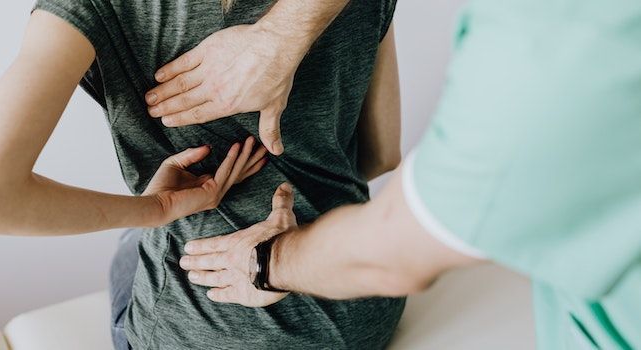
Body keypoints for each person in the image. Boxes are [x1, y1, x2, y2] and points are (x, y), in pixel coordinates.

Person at [176, 0, 641, 348]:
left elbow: (397, 251)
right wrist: (280, 37)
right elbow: (381, 156)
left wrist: (263, 262)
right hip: (368, 315)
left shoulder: (551, 48)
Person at [0, 0, 406, 349]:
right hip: (360, 306)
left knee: (132, 244)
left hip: (211, 330)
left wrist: (156, 208)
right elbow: (380, 156)